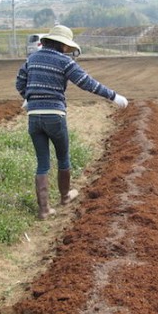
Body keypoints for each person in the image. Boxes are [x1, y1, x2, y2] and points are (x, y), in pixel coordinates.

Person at [15, 24, 128, 220]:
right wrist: (114, 96)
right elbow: (87, 83)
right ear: (63, 45)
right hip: (54, 115)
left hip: (34, 117)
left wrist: (29, 97)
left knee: (42, 163)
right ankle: (65, 196)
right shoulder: (64, 61)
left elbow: (19, 81)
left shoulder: (32, 59)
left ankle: (44, 210)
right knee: (63, 157)